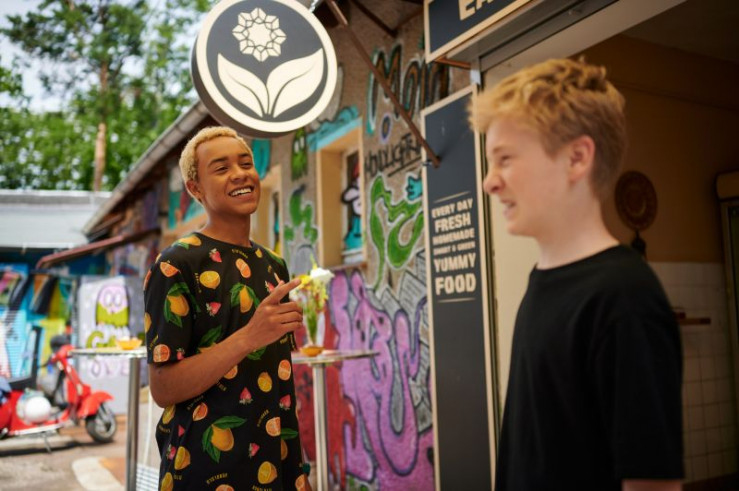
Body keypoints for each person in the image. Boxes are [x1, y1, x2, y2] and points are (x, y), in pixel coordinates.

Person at [469, 58, 683, 490]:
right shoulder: (542, 280)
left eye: (504, 159)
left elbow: (653, 484)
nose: (489, 182)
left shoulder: (625, 298)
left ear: (577, 158)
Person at [144, 126, 311, 490]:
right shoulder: (176, 264)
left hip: (276, 466)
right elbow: (163, 388)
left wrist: (297, 472)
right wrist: (249, 337)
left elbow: (278, 383)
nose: (239, 174)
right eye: (221, 168)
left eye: (246, 163)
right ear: (195, 189)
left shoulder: (274, 265)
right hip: (203, 470)